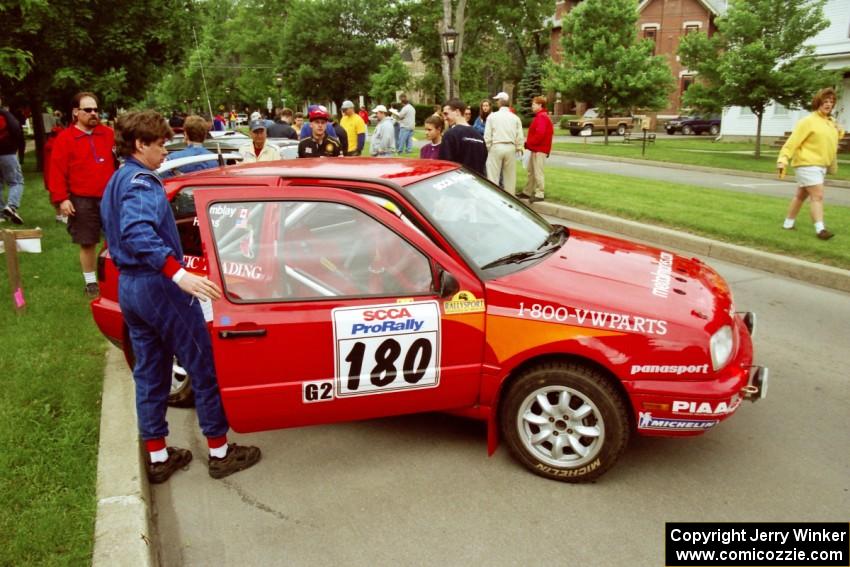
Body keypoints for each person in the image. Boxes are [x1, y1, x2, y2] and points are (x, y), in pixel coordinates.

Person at [101, 110, 261, 484]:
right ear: (140, 144)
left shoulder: (118, 178)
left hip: (131, 288)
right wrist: (179, 273)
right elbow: (139, 233)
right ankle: (220, 451)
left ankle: (157, 455)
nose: (165, 154)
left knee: (150, 373)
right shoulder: (143, 182)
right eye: (159, 145)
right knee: (203, 366)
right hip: (159, 286)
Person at [48, 92, 116, 297]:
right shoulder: (65, 139)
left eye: (96, 109)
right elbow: (56, 172)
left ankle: (118, 276)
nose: (94, 113)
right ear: (76, 112)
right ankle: (91, 282)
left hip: (109, 196)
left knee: (118, 238)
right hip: (82, 198)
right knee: (88, 241)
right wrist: (62, 199)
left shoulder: (107, 134)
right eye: (88, 110)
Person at [777, 87, 844, 240]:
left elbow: (831, 140)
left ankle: (788, 223)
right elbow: (792, 142)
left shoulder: (830, 122)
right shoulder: (807, 122)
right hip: (807, 164)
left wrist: (839, 131)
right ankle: (820, 230)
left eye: (831, 102)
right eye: (825, 101)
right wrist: (783, 159)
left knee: (800, 196)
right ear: (818, 102)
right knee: (817, 196)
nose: (829, 104)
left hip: (821, 166)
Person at [484, 92, 524, 195]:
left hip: (496, 146)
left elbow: (487, 136)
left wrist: (489, 148)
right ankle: (510, 197)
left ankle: (493, 197)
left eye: (497, 100)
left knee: (493, 177)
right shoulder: (515, 118)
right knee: (510, 177)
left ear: (500, 102)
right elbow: (519, 136)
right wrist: (518, 147)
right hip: (510, 147)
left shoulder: (492, 117)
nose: (496, 102)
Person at [439, 99, 487, 176]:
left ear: (457, 112)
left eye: (446, 114)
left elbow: (444, 165)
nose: (445, 118)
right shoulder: (479, 137)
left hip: (457, 183)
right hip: (477, 183)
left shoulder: (450, 135)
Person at [520, 96, 554, 203]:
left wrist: (529, 143)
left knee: (538, 172)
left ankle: (540, 193)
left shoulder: (542, 117)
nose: (532, 106)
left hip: (539, 149)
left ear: (540, 105)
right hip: (535, 149)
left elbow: (540, 134)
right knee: (532, 171)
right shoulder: (540, 116)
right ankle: (527, 191)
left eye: (534, 104)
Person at [0, 96, 25, 224]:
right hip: (7, 153)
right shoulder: (5, 115)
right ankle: (12, 206)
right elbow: (16, 130)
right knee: (16, 182)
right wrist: (18, 148)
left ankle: (1, 214)